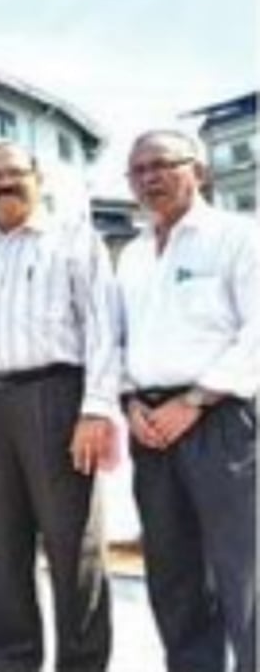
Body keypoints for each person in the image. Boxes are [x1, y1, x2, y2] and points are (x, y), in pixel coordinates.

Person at [0, 141, 118, 672]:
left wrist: (95, 409)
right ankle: (14, 661)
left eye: (14, 173)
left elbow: (102, 327)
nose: (4, 183)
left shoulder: (73, 240)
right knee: (0, 547)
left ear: (38, 177)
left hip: (55, 398)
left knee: (73, 546)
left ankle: (82, 663)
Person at [117, 130, 256, 672]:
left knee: (240, 569)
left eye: (162, 165)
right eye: (138, 170)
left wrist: (195, 401)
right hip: (149, 427)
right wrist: (130, 404)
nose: (149, 178)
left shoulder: (237, 237)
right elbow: (118, 339)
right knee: (173, 576)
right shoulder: (131, 255)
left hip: (218, 419)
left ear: (197, 170)